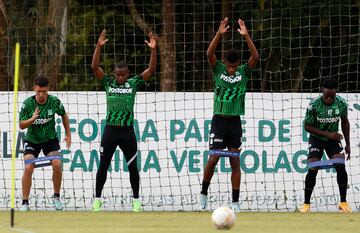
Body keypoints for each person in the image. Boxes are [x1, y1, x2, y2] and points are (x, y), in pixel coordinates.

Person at [91, 29, 157, 212]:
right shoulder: (108, 83)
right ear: (114, 73)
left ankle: (136, 200)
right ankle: (97, 200)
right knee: (103, 166)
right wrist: (98, 46)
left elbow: (151, 70)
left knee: (133, 167)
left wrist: (153, 50)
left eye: (123, 75)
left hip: (127, 132)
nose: (120, 78)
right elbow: (95, 68)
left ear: (127, 74)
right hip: (110, 131)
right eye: (118, 75)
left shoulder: (133, 83)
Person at [199, 17, 259, 212]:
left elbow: (256, 57)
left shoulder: (243, 71)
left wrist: (246, 35)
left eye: (234, 66)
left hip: (234, 122)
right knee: (213, 159)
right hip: (218, 121)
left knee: (235, 160)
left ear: (238, 64)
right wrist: (218, 33)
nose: (232, 70)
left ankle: (235, 201)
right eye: (229, 66)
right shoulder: (218, 69)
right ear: (225, 63)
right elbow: (209, 53)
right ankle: (203, 194)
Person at [19, 76, 71, 211]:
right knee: (29, 166)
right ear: (34, 89)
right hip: (32, 140)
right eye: (38, 92)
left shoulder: (54, 102)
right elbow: (21, 125)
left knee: (57, 163)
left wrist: (68, 134)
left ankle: (56, 197)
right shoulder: (27, 104)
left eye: (44, 91)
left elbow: (63, 115)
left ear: (48, 89)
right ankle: (25, 202)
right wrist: (32, 119)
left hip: (50, 139)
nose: (41, 95)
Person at [299, 78, 351, 213]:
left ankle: (343, 202)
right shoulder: (314, 105)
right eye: (326, 95)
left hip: (333, 140)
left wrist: (348, 144)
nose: (329, 98)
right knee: (313, 167)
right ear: (322, 91)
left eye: (332, 96)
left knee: (340, 165)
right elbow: (307, 126)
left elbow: (345, 122)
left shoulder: (341, 103)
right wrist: (327, 134)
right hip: (317, 138)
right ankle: (306, 204)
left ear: (335, 93)